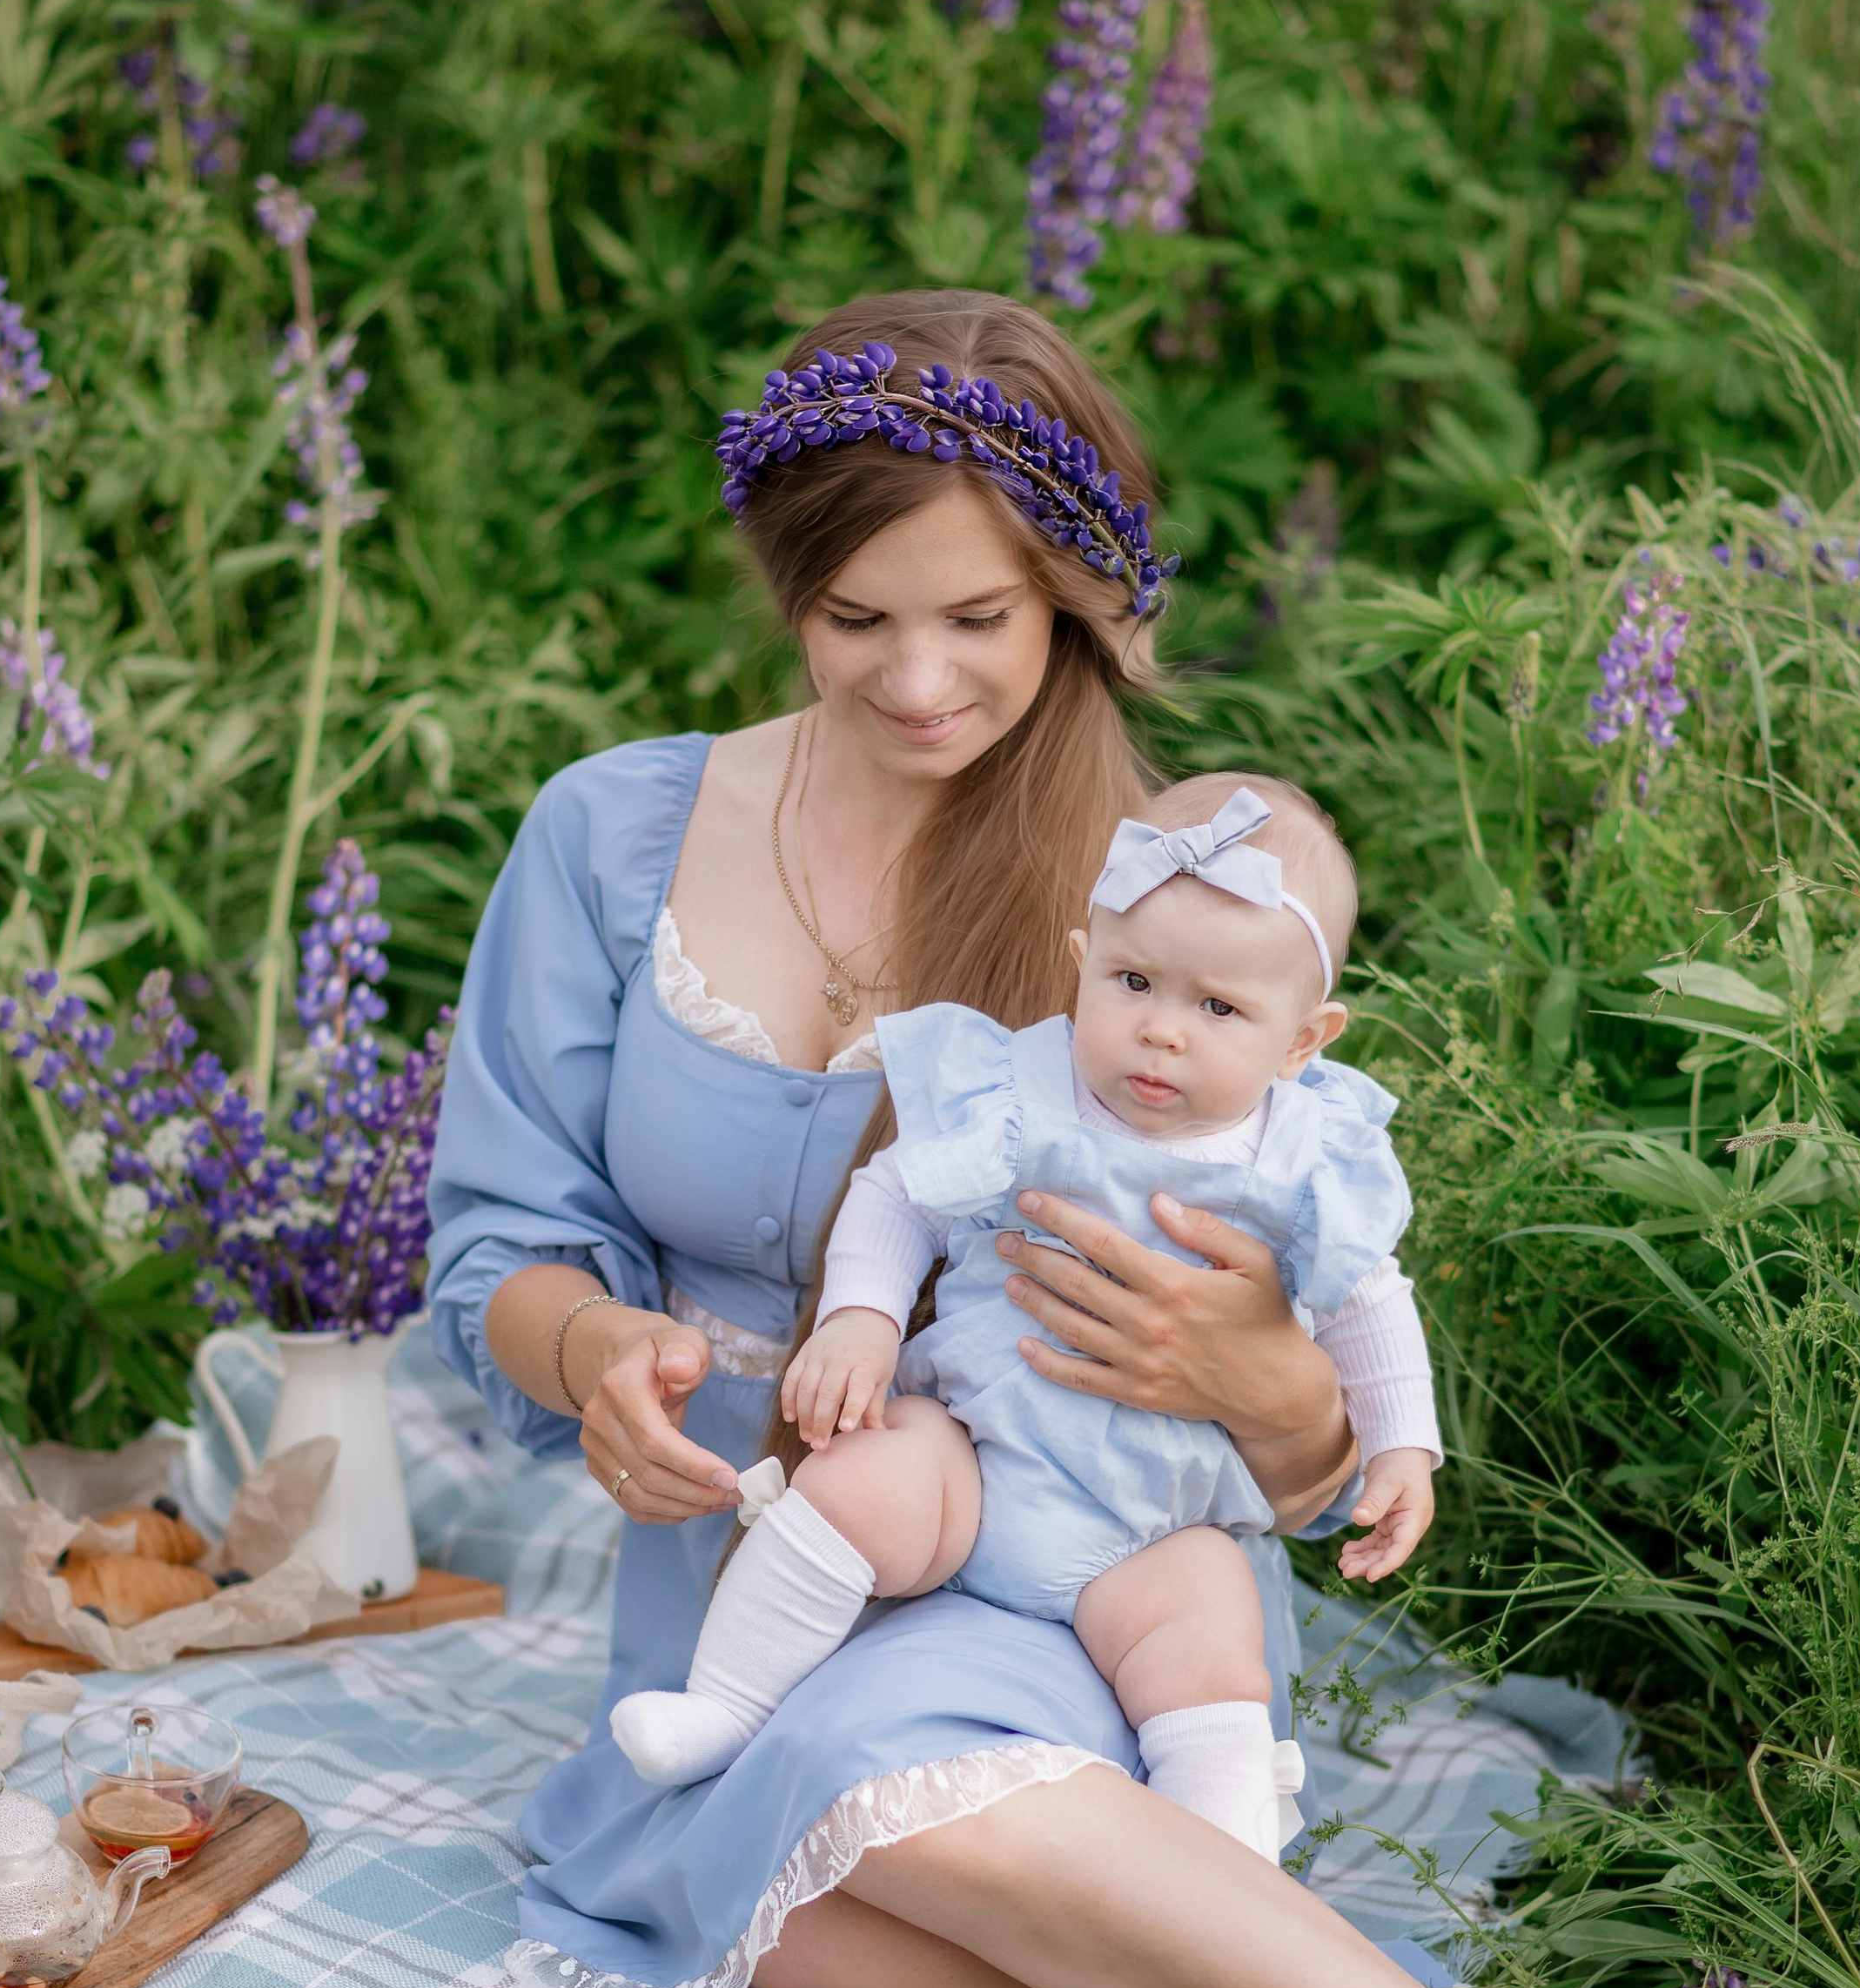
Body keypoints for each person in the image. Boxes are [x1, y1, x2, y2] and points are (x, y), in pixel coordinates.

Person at [427, 287, 1860, 1988]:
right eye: (856, 619)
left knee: (884, 1798)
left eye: (978, 622)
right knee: (768, 1906)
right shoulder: (613, 834)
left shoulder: (1159, 919)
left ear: (1078, 613)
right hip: (770, 1544)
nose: (916, 680)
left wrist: (1281, 1389)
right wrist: (595, 1355)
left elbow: (1305, 1449)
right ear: (784, 591)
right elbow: (495, 1243)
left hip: (1076, 1565)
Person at [606, 773, 1444, 1863]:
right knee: (860, 1475)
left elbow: (1373, 1304)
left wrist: (1403, 1446)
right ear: (1079, 955)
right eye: (1134, 979)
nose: (1161, 1034)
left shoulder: (1304, 1161)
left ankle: (1221, 1858)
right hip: (972, 1458)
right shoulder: (1019, 1089)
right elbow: (897, 1193)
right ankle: (724, 1706)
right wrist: (859, 1319)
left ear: (1303, 1041)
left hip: (1145, 1529)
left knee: (1209, 1622)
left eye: (1219, 1008)